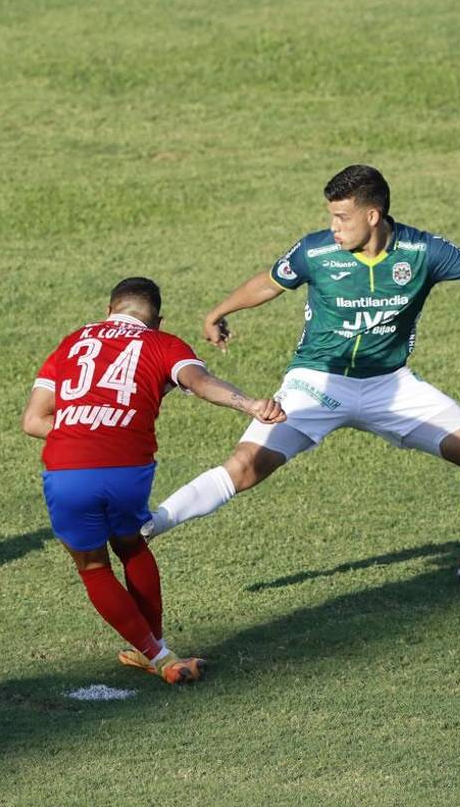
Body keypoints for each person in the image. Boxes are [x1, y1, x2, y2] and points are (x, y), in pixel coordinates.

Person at [143, 165, 460, 589]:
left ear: (373, 215)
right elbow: (270, 281)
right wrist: (217, 312)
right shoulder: (316, 251)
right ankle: (150, 524)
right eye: (331, 216)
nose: (334, 227)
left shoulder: (423, 251)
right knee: (243, 468)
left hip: (391, 387)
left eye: (342, 217)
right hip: (317, 383)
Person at [22, 277, 286, 683]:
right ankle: (156, 646)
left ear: (109, 311)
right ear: (157, 320)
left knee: (93, 567)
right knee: (131, 545)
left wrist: (85, 429)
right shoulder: (164, 344)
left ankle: (159, 656)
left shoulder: (72, 343)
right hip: (128, 466)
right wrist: (249, 404)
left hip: (68, 468)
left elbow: (33, 420)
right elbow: (201, 384)